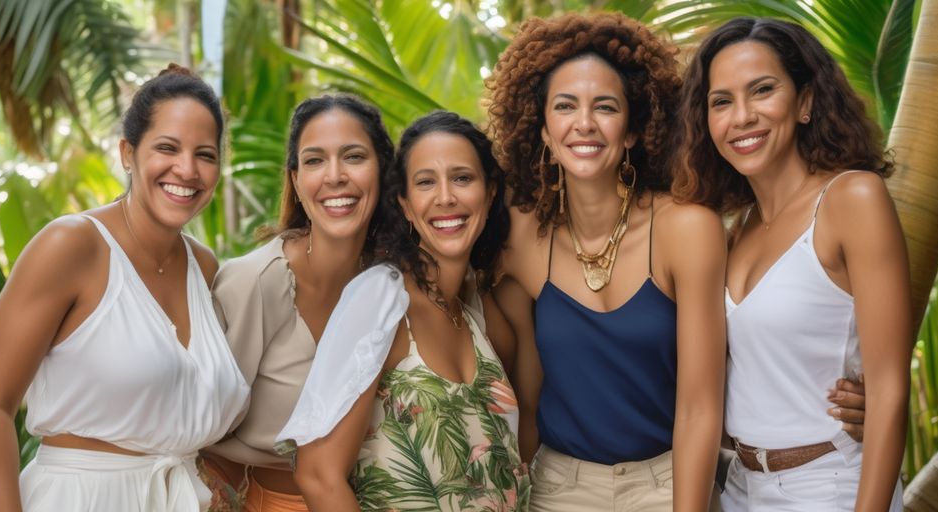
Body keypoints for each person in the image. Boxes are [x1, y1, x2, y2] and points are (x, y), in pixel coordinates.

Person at [0, 64, 250, 511]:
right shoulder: (73, 246)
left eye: (205, 155)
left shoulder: (205, 267)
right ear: (127, 153)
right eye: (167, 148)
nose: (187, 169)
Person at [485, 13, 727, 510]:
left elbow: (701, 407)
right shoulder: (519, 236)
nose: (585, 124)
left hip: (669, 483)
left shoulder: (686, 228)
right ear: (544, 131)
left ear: (635, 130)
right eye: (565, 106)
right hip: (559, 489)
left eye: (606, 107)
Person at [672, 17, 909, 511]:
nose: (741, 117)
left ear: (805, 101)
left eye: (762, 91)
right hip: (739, 489)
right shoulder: (734, 228)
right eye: (721, 101)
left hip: (832, 486)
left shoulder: (852, 199)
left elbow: (888, 387)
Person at [285, 111, 529, 511]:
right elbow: (318, 476)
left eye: (463, 178)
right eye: (425, 182)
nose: (446, 197)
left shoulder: (476, 311)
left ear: (489, 193)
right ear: (406, 204)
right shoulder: (380, 299)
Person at [199, 95, 397, 512]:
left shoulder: (394, 281)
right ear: (295, 179)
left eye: (354, 156)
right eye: (314, 160)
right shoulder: (254, 282)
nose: (335, 176)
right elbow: (200, 437)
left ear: (383, 169)